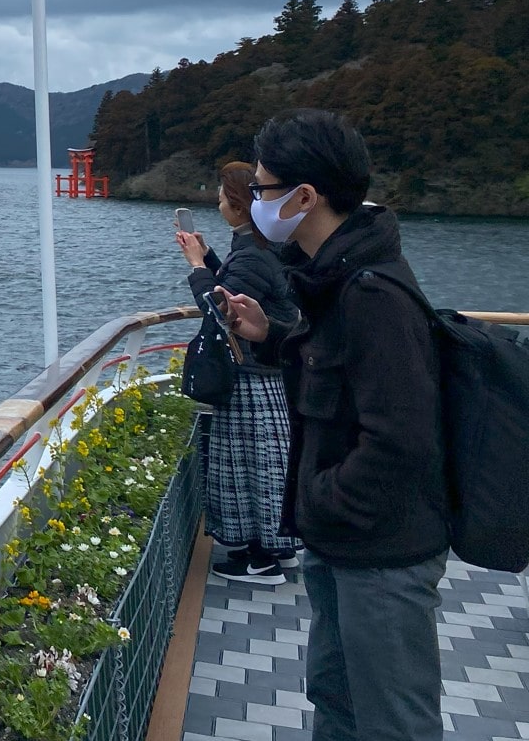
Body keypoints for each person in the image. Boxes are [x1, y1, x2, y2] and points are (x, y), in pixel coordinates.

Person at [220, 109, 446, 741]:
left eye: (264, 189)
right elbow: (338, 379)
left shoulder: (371, 293)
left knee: (392, 721)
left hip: (380, 551)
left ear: (305, 196)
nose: (257, 202)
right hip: (346, 542)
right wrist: (272, 337)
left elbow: (401, 439)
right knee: (338, 699)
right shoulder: (335, 278)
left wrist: (322, 498)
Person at [174, 161, 301, 583]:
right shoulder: (262, 247)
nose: (217, 203)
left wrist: (196, 266)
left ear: (240, 207)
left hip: (252, 380)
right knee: (270, 468)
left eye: (223, 199)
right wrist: (208, 255)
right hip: (271, 377)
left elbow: (222, 307)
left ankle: (261, 559)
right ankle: (277, 550)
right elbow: (236, 279)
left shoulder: (251, 253)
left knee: (251, 470)